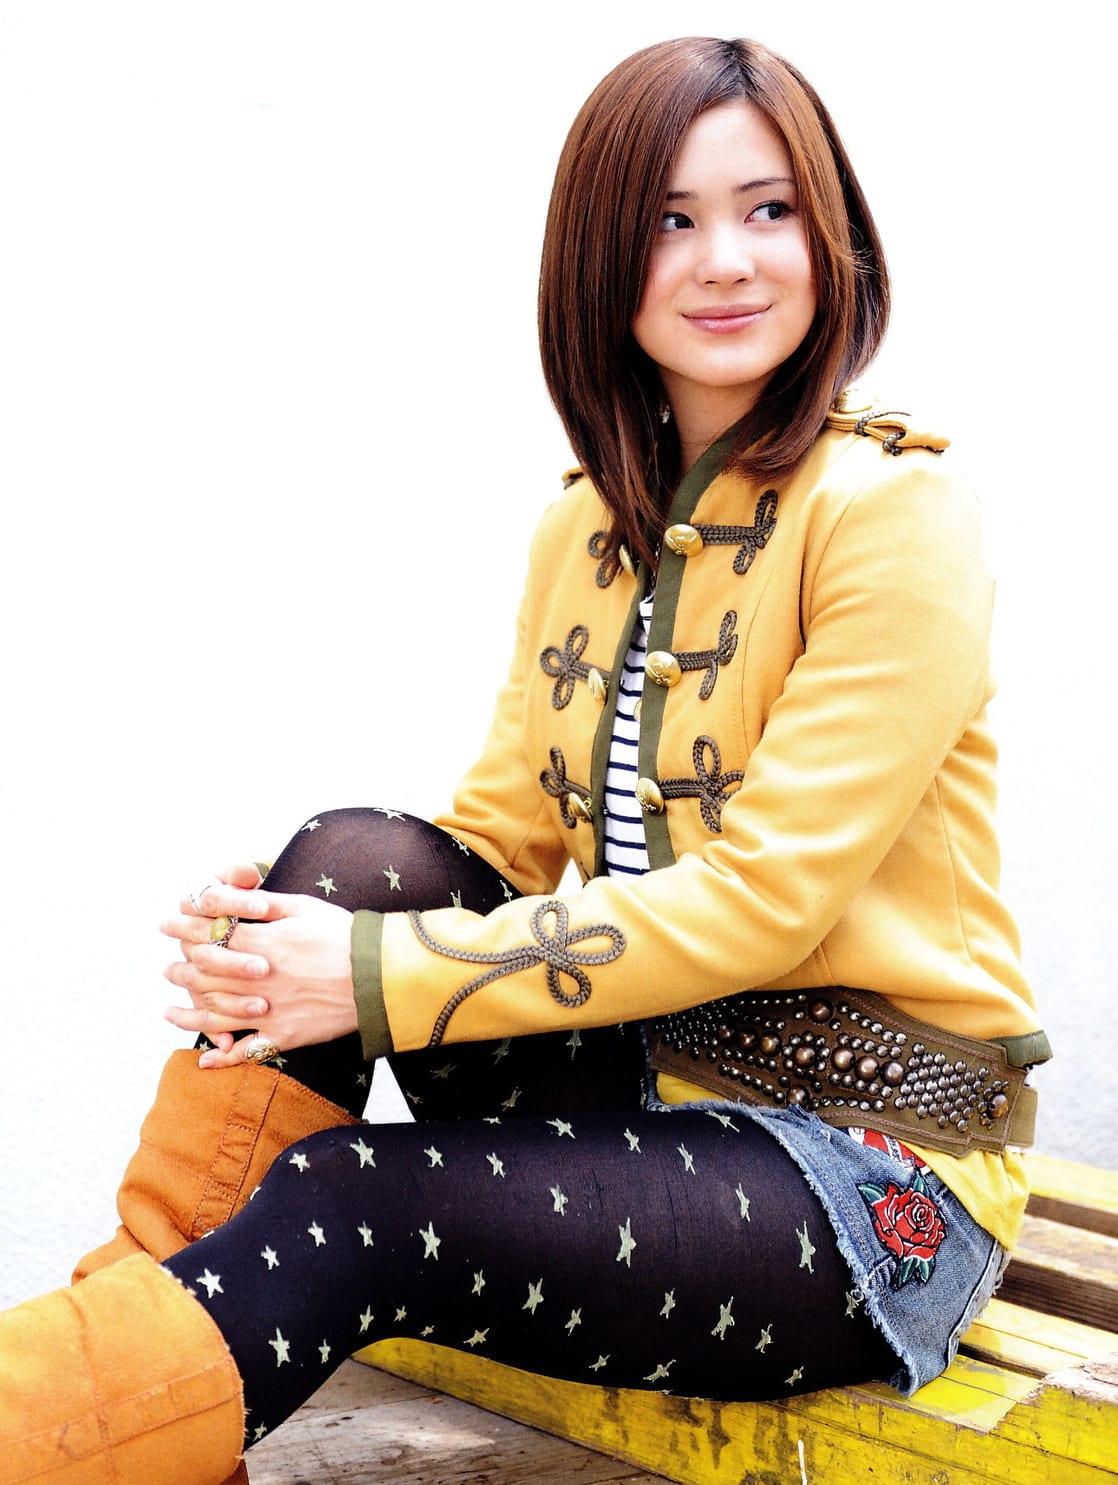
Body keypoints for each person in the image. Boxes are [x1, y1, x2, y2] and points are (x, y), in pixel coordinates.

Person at [1, 34, 1050, 1485]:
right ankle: (111, 1412)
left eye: (768, 209)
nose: (726, 260)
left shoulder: (895, 515)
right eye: (670, 220)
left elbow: (767, 900)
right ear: (600, 259)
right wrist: (285, 942)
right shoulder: (585, 526)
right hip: (638, 1093)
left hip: (859, 1172)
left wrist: (366, 976)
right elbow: (493, 842)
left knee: (353, 1201)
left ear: (832, 234)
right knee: (353, 860)